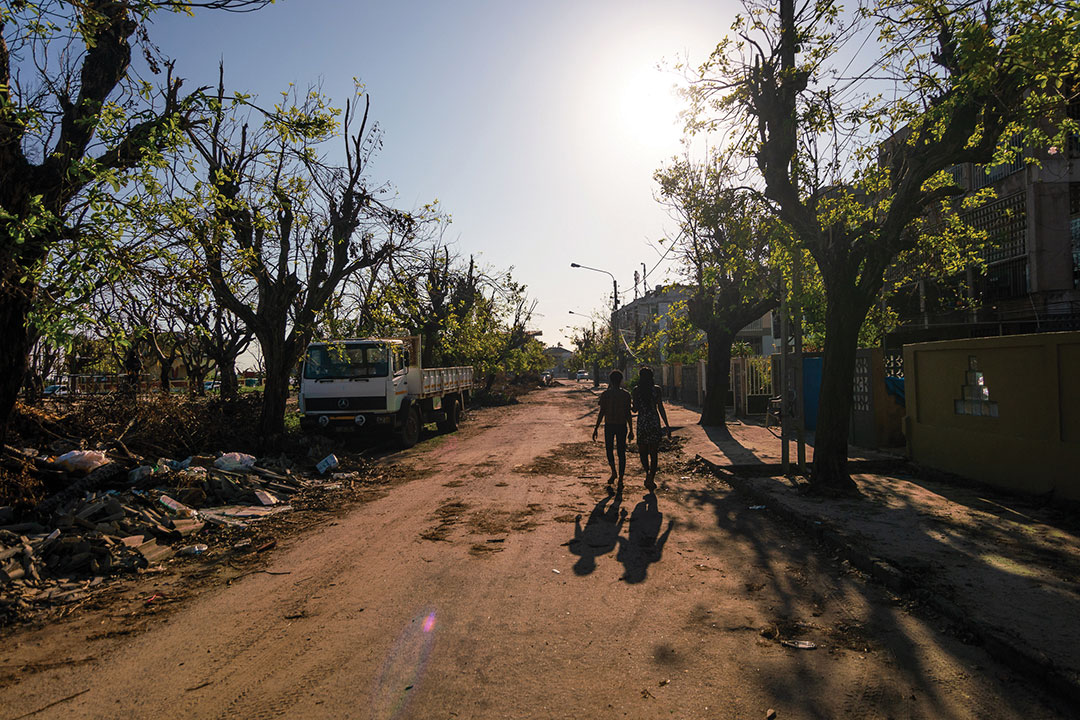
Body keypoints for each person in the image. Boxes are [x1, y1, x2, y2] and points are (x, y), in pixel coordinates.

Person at [631, 366, 671, 492]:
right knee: (654, 453)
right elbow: (661, 408)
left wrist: (629, 405)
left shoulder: (636, 391)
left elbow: (635, 409)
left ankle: (647, 473)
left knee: (643, 452)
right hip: (654, 422)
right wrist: (667, 425)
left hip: (642, 423)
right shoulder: (657, 390)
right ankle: (651, 478)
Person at [592, 370, 633, 487]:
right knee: (621, 452)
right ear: (620, 380)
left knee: (609, 450)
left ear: (610, 380)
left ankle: (614, 472)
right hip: (621, 425)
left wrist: (596, 428)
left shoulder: (606, 395)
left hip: (609, 425)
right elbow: (628, 413)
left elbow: (602, 412)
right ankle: (620, 478)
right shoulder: (626, 395)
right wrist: (631, 429)